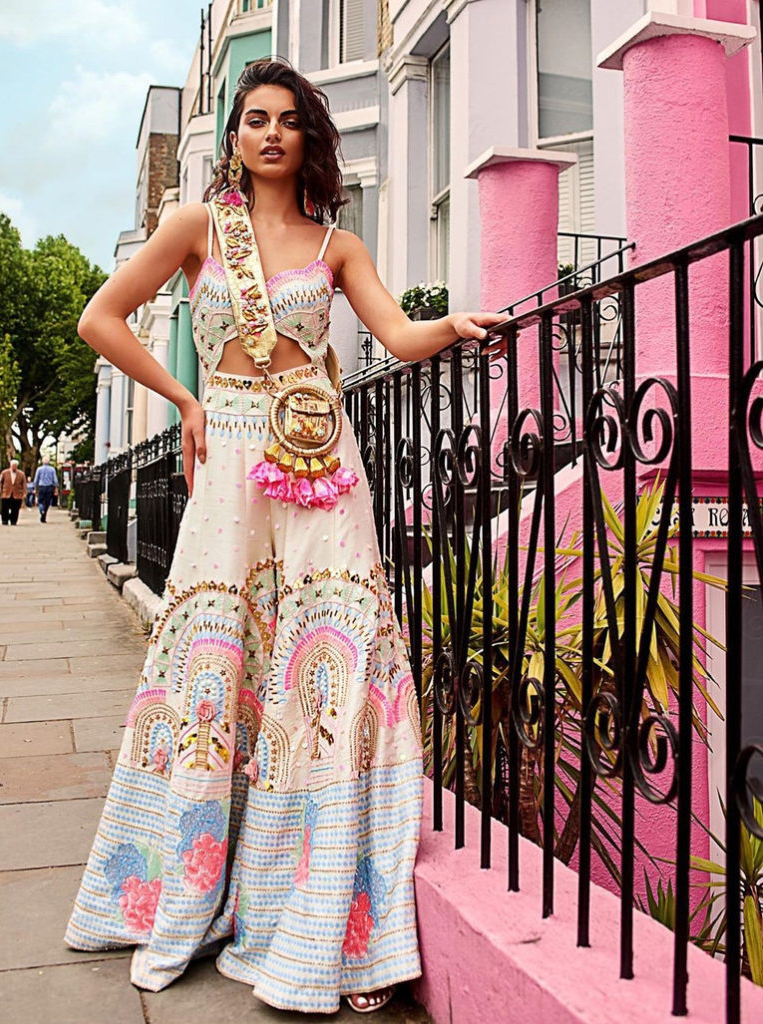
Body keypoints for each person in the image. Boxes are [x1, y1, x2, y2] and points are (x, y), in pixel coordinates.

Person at [64, 58, 507, 1014]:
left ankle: (315, 913)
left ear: (309, 136)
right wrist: (183, 397)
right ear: (232, 139)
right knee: (221, 663)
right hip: (228, 452)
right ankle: (184, 880)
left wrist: (456, 323)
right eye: (253, 119)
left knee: (332, 658)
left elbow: (393, 334)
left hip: (322, 465)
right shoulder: (195, 228)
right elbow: (100, 318)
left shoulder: (337, 246)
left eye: (288, 119)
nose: (270, 132)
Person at [0, 458, 27, 526]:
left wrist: (24, 493)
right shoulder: (4, 473)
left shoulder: (21, 474)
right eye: (13, 466)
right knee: (4, 508)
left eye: (15, 466)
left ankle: (13, 521)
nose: (14, 467)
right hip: (6, 493)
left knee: (15, 509)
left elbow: (24, 484)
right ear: (10, 466)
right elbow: (0, 482)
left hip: (17, 494)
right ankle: (4, 520)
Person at [33, 454, 59, 522]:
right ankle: (44, 513)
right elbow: (55, 480)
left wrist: (35, 488)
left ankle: (42, 510)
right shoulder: (52, 469)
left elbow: (36, 479)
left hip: (41, 487)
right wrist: (56, 488)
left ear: (42, 461)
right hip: (49, 487)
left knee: (40, 501)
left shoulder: (39, 469)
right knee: (47, 502)